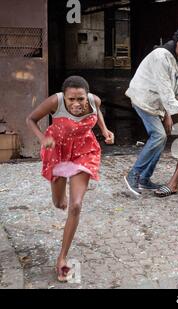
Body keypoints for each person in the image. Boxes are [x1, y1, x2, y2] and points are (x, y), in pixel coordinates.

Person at [26, 76, 114, 282]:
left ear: (87, 96)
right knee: (59, 203)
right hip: (57, 150)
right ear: (64, 98)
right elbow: (30, 119)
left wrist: (103, 129)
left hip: (84, 151)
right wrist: (42, 139)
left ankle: (62, 258)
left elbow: (97, 112)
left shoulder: (94, 101)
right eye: (71, 100)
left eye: (80, 99)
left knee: (75, 205)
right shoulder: (54, 101)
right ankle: (60, 196)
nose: (76, 104)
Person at [124, 27, 178, 196]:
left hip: (157, 102)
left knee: (161, 137)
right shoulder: (161, 57)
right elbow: (166, 94)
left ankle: (145, 179)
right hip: (143, 99)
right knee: (159, 136)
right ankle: (133, 175)